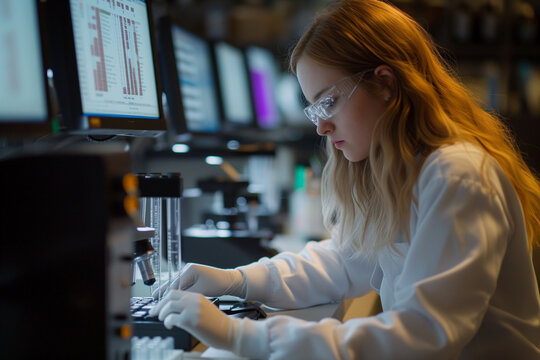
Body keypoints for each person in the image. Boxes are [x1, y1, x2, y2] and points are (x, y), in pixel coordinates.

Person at [149, 0, 540, 358]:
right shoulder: (407, 171)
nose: (321, 127)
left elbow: (425, 334)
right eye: (313, 108)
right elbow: (345, 260)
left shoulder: (457, 174)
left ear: (386, 83)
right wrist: (237, 280)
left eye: (329, 101)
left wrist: (241, 336)